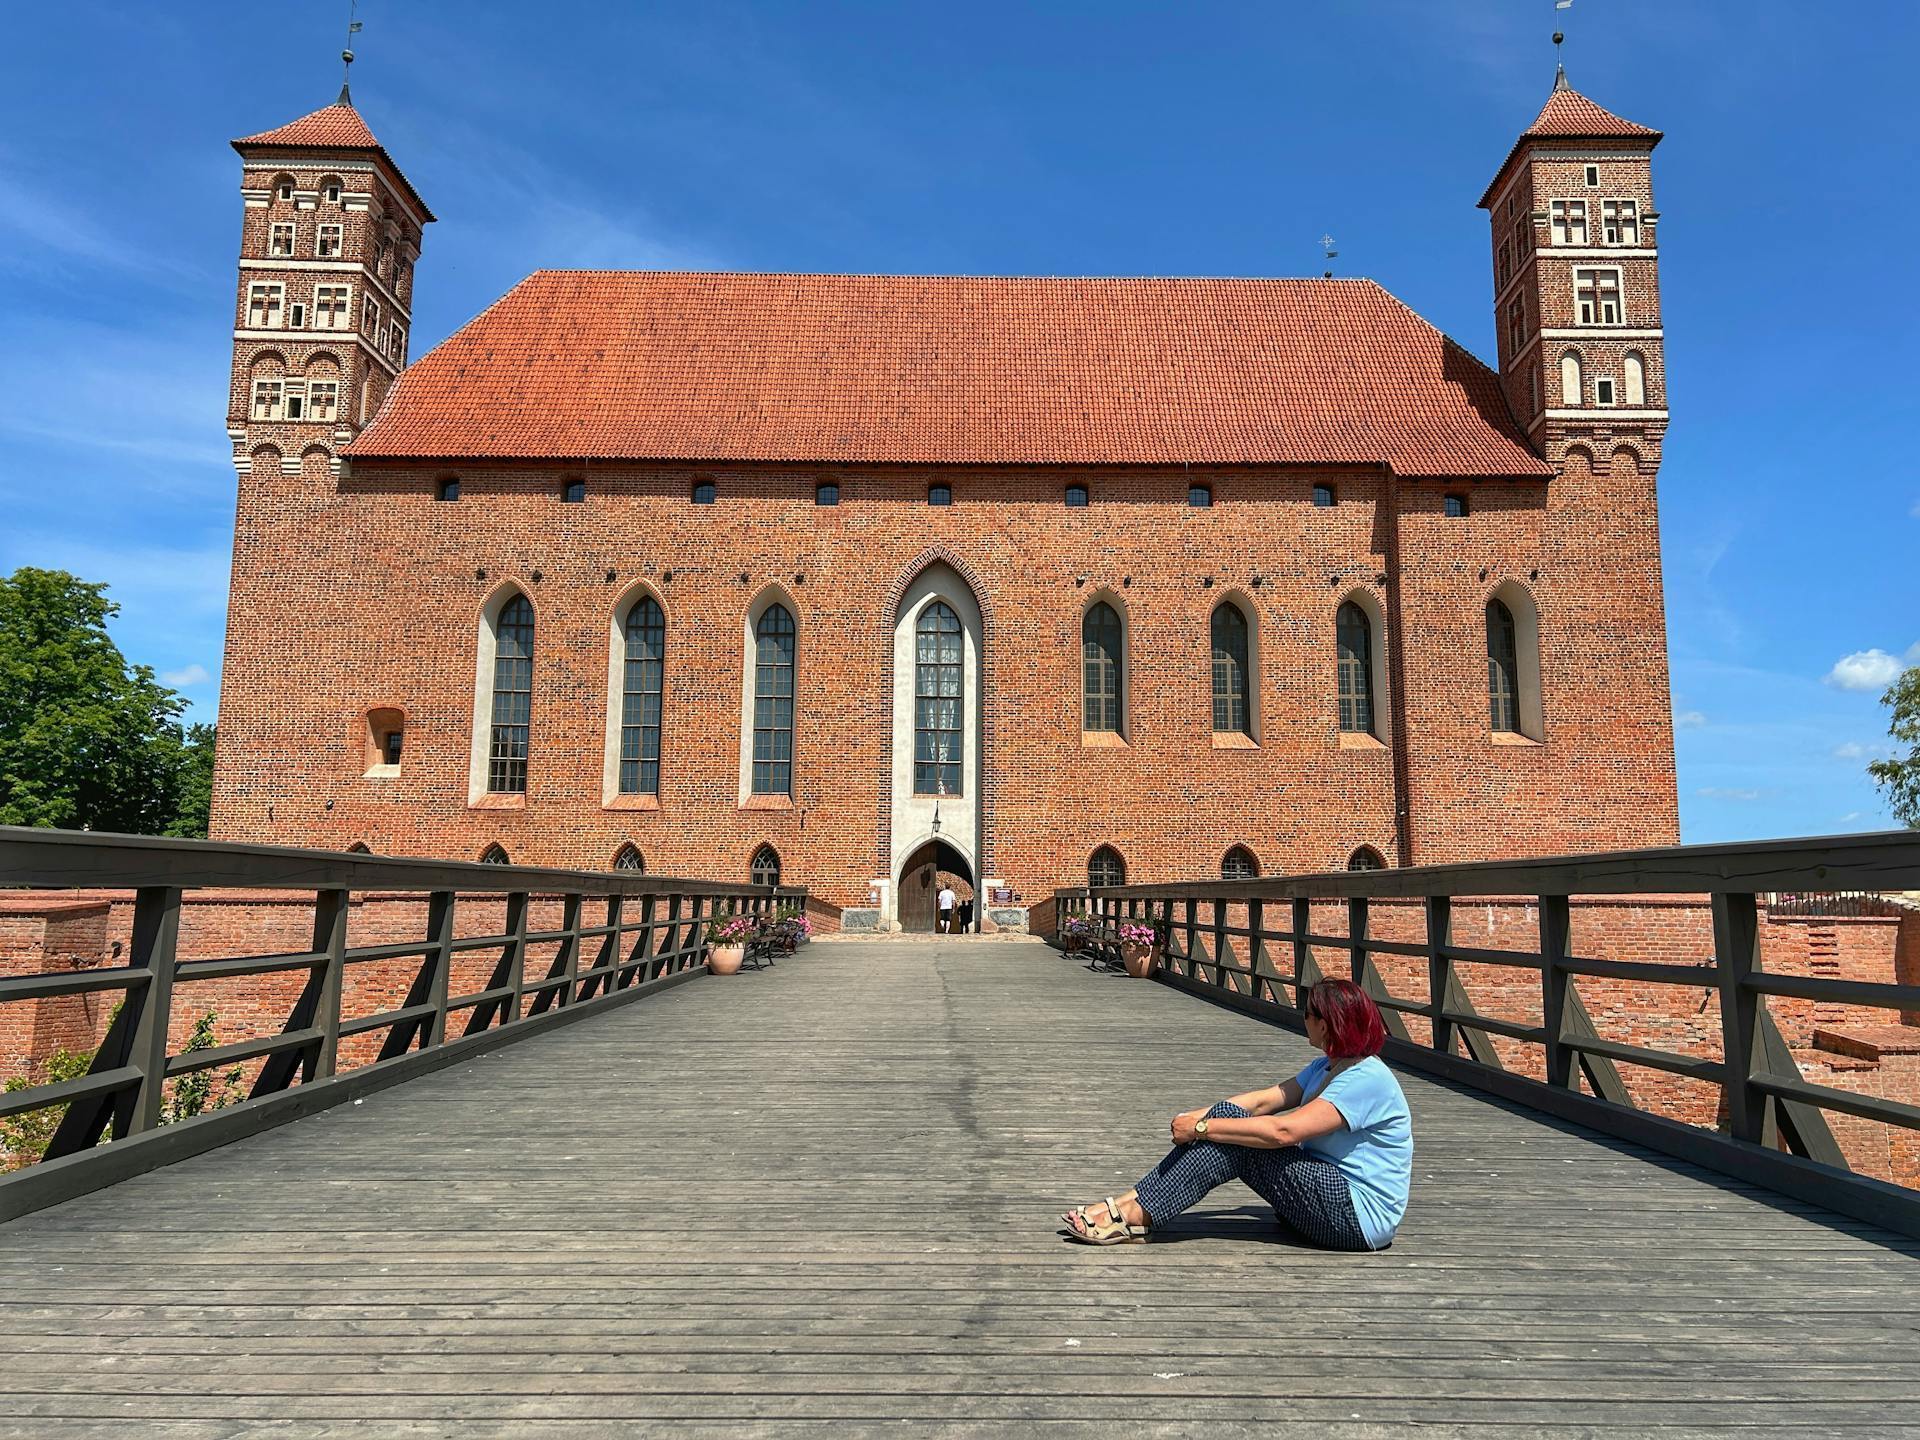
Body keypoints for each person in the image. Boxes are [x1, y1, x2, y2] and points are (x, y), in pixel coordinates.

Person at [1060, 978, 1411, 1251]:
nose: (1303, 1018)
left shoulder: (1367, 1079)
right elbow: (1265, 1101)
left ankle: (1138, 1215)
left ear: (1328, 1023)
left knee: (1234, 1139)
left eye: (1309, 1013)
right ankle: (1132, 1201)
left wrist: (1201, 1128)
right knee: (1230, 1121)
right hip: (1328, 1198)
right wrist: (1200, 1115)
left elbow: (1283, 1132)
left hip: (1357, 1217)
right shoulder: (1327, 1066)